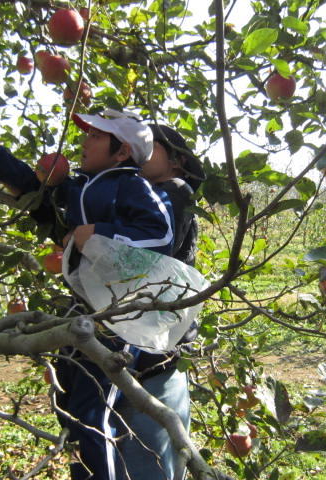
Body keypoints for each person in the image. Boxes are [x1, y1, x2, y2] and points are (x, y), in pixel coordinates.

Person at [0, 107, 176, 480]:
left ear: (123, 152)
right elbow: (28, 182)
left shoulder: (131, 185)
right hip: (84, 310)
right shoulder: (77, 185)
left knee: (94, 408)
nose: (84, 141)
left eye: (96, 136)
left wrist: (98, 233)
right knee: (68, 401)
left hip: (122, 314)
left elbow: (161, 236)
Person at [113, 124, 205, 480]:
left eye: (150, 145)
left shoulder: (174, 193)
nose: (138, 151)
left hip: (151, 357)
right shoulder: (143, 198)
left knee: (146, 457)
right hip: (144, 354)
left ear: (177, 162)